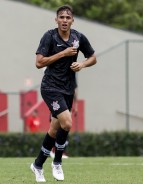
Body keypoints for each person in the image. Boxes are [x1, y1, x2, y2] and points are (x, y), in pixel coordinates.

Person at [30, 5, 97, 182]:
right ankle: (57, 162)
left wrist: (82, 64)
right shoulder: (49, 36)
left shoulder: (78, 37)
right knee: (67, 123)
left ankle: (37, 165)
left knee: (54, 129)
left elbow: (93, 57)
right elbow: (39, 62)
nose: (65, 20)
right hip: (50, 87)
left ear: (72, 20)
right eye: (61, 17)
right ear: (56, 20)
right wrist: (63, 53)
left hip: (67, 89)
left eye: (68, 17)